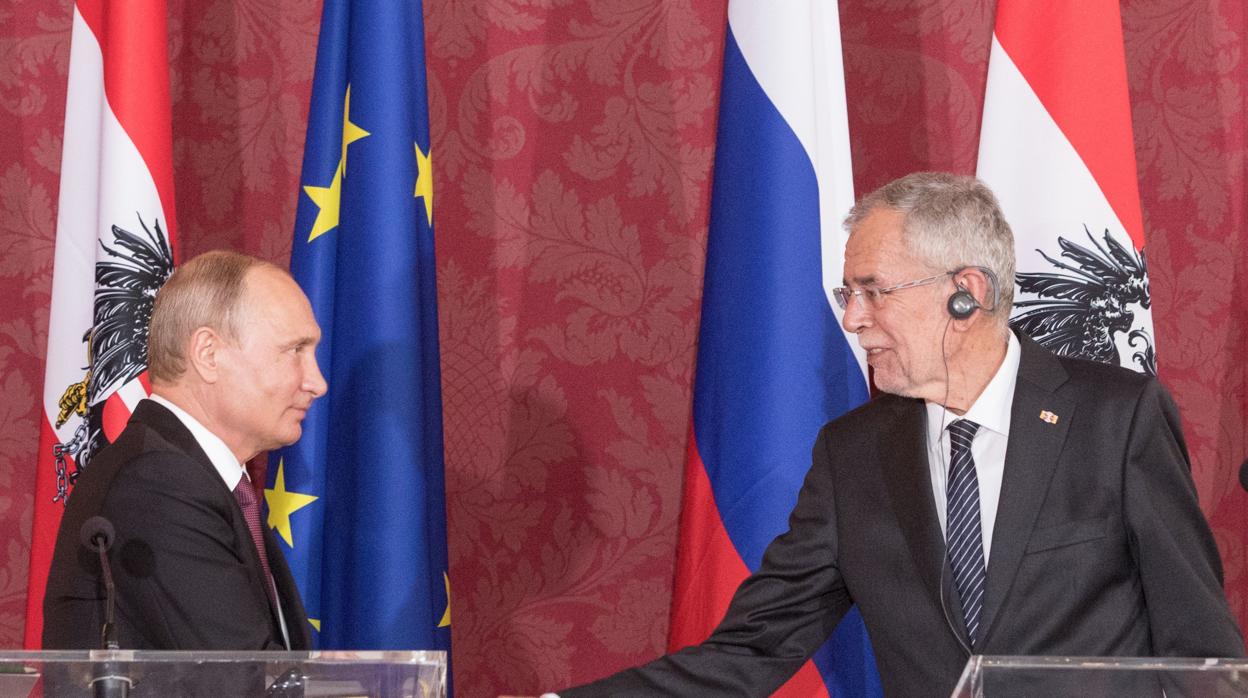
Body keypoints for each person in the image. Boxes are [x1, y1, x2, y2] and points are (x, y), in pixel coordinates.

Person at [555, 173, 1243, 697]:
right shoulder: (852, 456)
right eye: (845, 295)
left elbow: (1198, 646)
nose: (853, 320)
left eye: (872, 291)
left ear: (965, 294)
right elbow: (750, 651)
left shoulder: (1115, 420)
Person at [43, 250, 327, 650]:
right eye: (295, 351)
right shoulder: (158, 483)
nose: (317, 382)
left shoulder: (196, 476)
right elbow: (242, 678)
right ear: (208, 354)